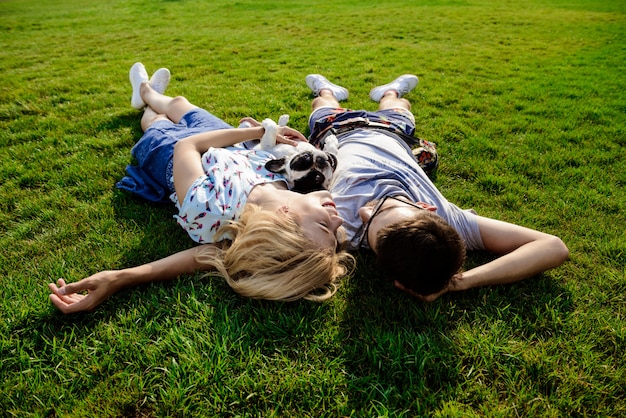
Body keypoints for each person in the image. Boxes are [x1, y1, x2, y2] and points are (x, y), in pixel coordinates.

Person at [48, 63, 354, 314]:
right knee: (180, 104)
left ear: (286, 218)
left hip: (173, 156)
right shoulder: (292, 192)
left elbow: (187, 146)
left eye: (326, 227)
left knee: (155, 120)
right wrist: (267, 139)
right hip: (228, 147)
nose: (338, 220)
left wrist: (118, 278)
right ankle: (149, 92)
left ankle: (143, 97)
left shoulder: (213, 211)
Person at [301, 74, 569, 301]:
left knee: (321, 102)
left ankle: (327, 90)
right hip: (393, 131)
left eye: (367, 224)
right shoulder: (449, 220)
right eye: (386, 207)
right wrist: (461, 281)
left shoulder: (340, 225)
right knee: (397, 102)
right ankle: (390, 91)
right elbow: (553, 246)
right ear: (426, 208)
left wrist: (455, 282)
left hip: (337, 130)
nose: (364, 213)